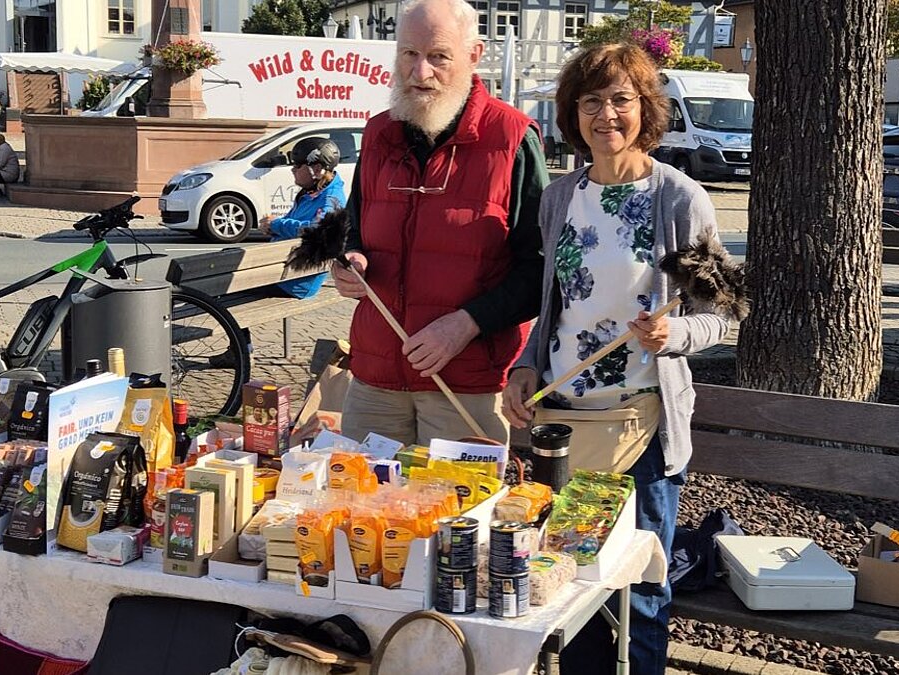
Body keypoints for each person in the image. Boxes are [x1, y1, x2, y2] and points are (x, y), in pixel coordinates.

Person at [501, 43, 729, 674]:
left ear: (646, 109)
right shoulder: (560, 198)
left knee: (642, 591)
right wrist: (525, 365)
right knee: (568, 581)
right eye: (591, 101)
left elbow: (725, 314)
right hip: (565, 425)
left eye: (622, 99)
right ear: (573, 113)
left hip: (642, 433)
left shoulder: (679, 200)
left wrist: (672, 337)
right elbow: (555, 308)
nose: (607, 114)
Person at [330, 0, 548, 446]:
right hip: (376, 379)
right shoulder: (377, 135)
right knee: (361, 507)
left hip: (466, 383)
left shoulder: (512, 137)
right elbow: (355, 230)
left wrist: (466, 323)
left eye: (438, 56)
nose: (420, 72)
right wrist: (350, 261)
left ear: (474, 55)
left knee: (459, 513)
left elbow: (541, 267)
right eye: (409, 54)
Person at [262, 137, 346, 299]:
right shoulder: (311, 192)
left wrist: (277, 225)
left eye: (298, 165)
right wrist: (271, 226)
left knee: (224, 292)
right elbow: (294, 226)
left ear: (317, 168)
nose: (293, 169)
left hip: (295, 282)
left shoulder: (331, 197)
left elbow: (319, 230)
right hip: (284, 272)